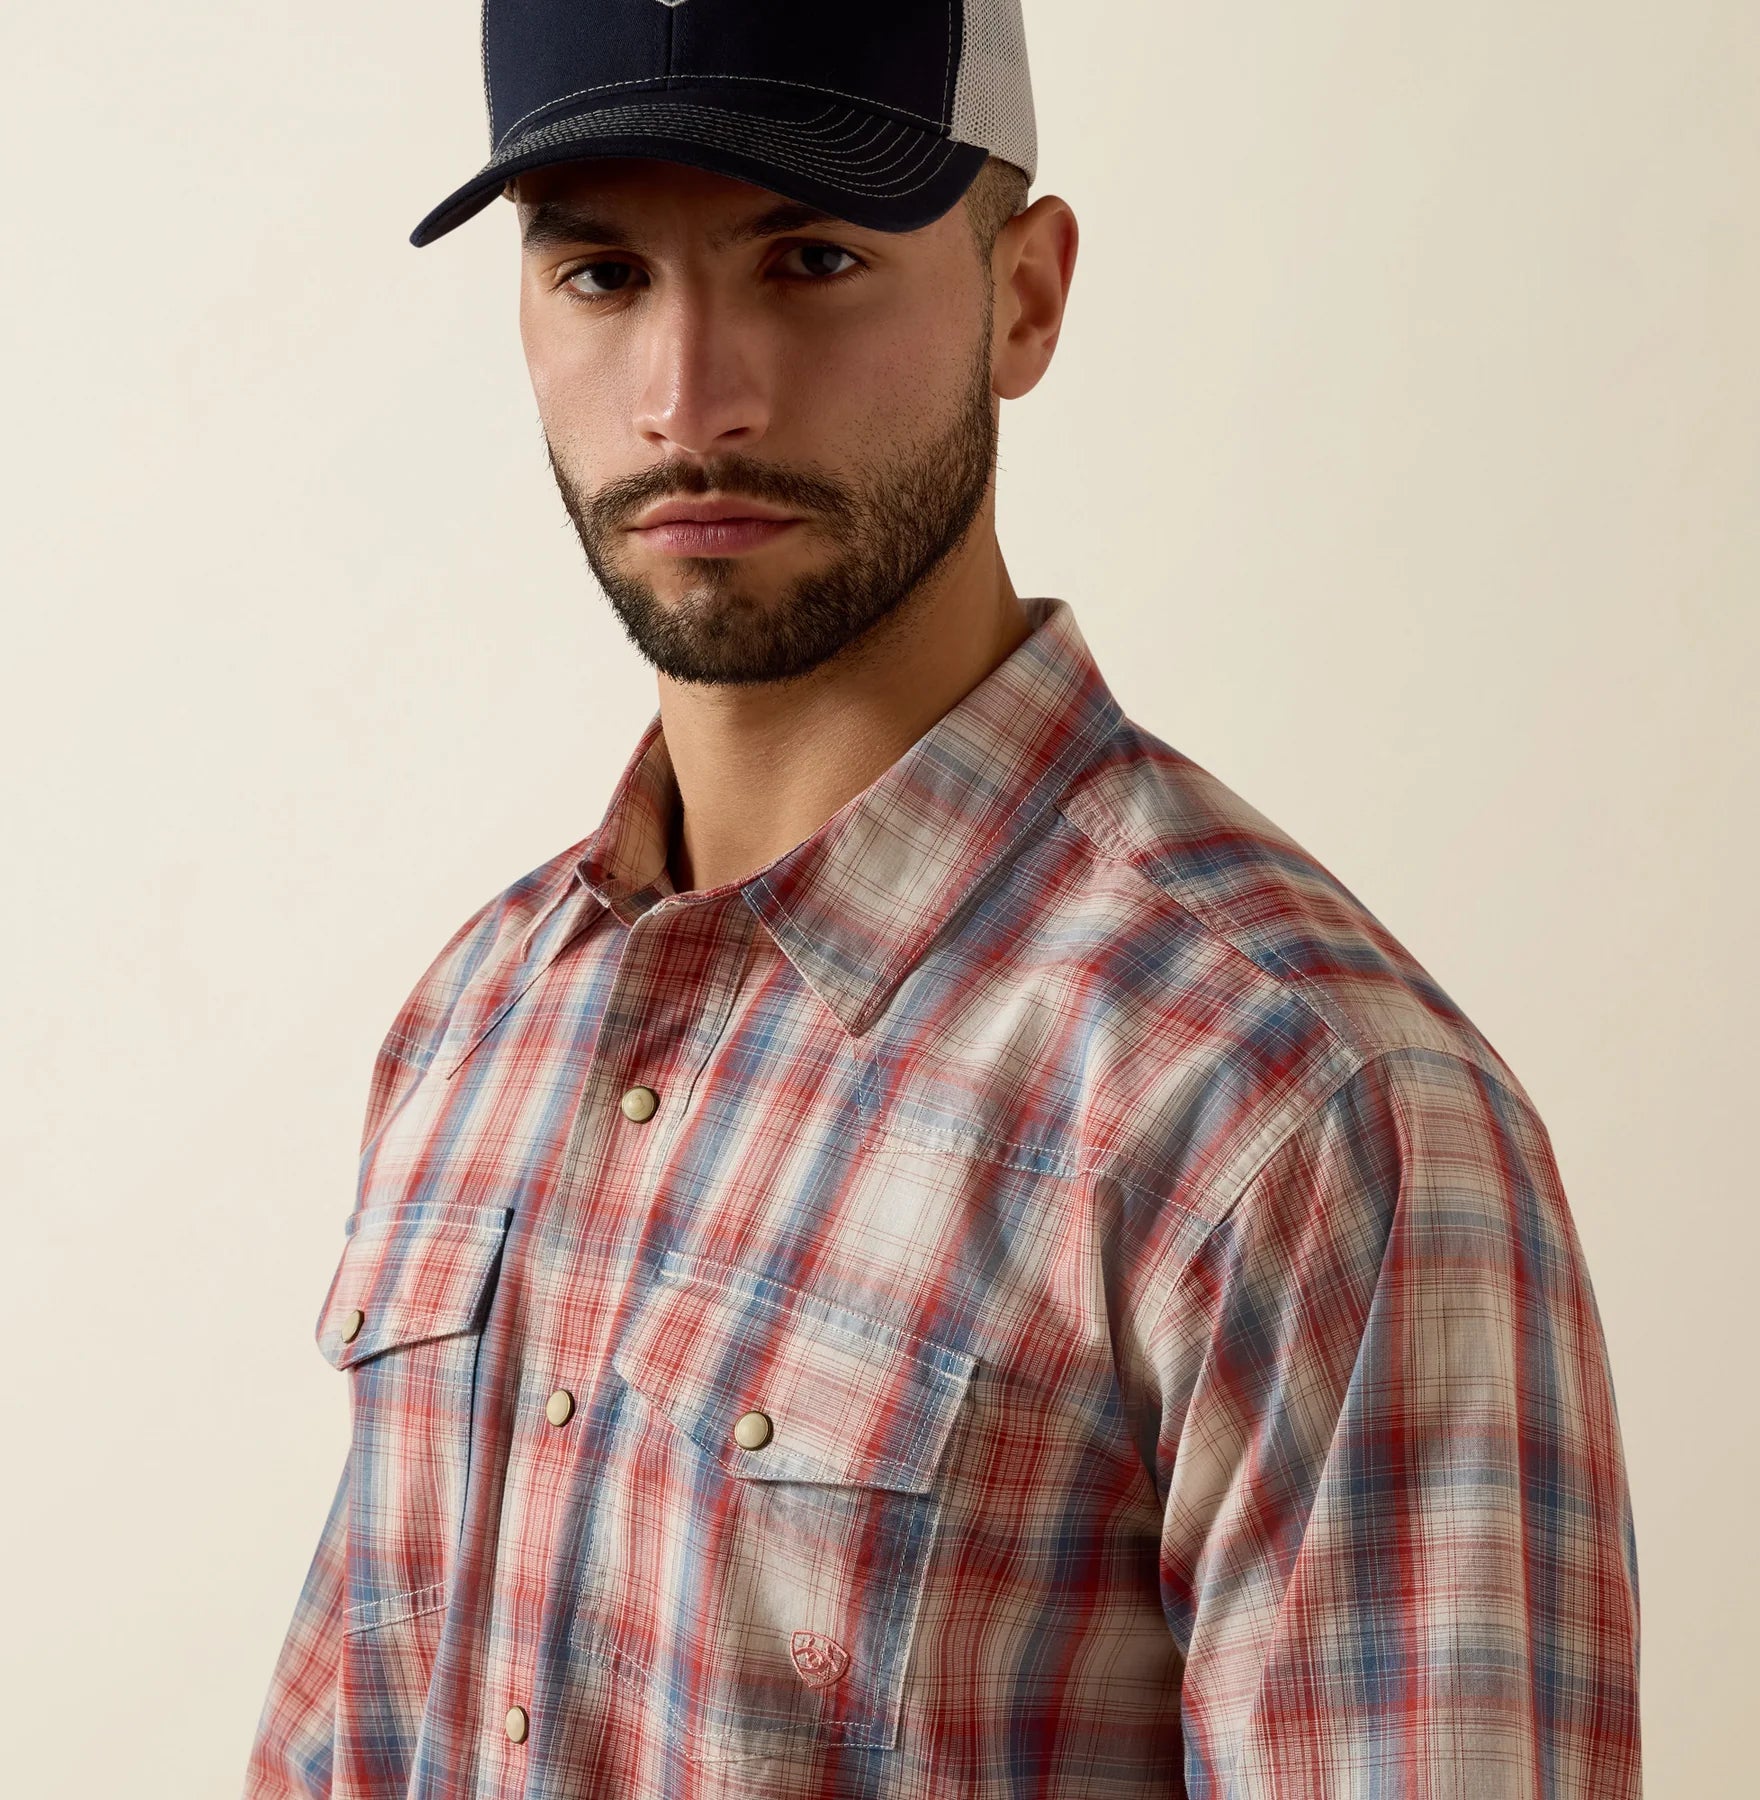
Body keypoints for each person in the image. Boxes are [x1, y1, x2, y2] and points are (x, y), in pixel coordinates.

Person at [244, 4, 1641, 1796]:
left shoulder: (1292, 1109)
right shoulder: (482, 1019)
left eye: (811, 259)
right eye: (601, 274)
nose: (690, 397)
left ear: (1027, 295)